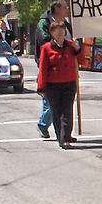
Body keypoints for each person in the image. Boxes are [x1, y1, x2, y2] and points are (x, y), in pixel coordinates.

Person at [35, 21, 82, 149]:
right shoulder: (46, 48)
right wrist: (41, 86)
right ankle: (61, 137)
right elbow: (43, 68)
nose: (60, 32)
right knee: (57, 112)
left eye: (62, 29)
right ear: (52, 33)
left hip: (69, 83)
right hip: (53, 85)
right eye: (57, 30)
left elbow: (82, 61)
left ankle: (66, 137)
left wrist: (78, 49)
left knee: (67, 111)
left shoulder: (71, 45)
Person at [36, 0, 72, 140]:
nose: (67, 9)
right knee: (51, 102)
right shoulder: (44, 22)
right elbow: (45, 41)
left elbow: (72, 39)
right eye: (65, 7)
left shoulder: (66, 23)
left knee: (65, 106)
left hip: (66, 66)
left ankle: (65, 134)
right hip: (51, 64)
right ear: (57, 8)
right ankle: (43, 124)